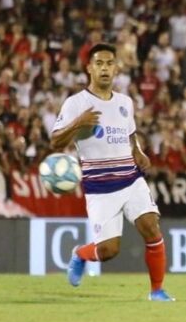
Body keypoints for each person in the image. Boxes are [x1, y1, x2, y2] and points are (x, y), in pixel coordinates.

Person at [50, 43, 174, 301]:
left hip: (130, 179)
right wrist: (78, 123)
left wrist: (138, 151)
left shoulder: (125, 103)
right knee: (108, 251)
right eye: (98, 63)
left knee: (151, 227)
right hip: (100, 188)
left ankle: (157, 291)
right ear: (89, 68)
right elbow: (55, 142)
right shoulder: (76, 104)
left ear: (116, 68)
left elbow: (129, 134)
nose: (104, 68)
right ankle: (81, 254)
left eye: (109, 63)